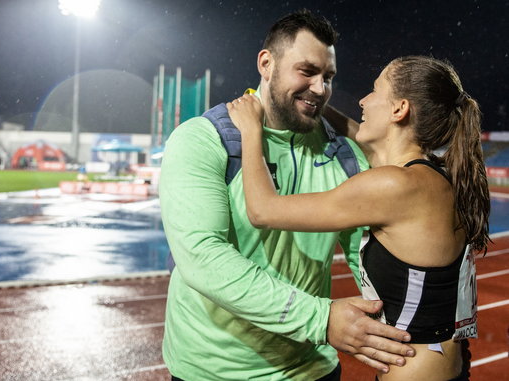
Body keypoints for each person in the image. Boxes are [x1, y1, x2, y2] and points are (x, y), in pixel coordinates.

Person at [159, 9, 415, 381]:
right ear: (267, 63)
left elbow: (365, 254)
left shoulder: (345, 153)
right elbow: (202, 256)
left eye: (328, 77)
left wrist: (401, 326)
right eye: (307, 71)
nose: (320, 88)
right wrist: (321, 318)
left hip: (312, 369)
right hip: (212, 370)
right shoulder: (201, 140)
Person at [228, 55, 490, 381]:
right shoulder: (435, 177)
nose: (363, 101)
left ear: (399, 109)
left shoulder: (392, 186)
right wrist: (315, 106)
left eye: (375, 90)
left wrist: (251, 129)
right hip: (445, 367)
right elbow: (365, 141)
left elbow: (262, 211)